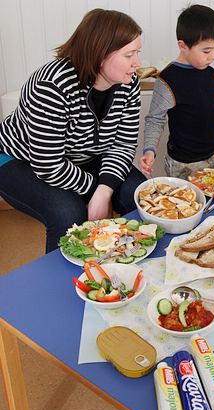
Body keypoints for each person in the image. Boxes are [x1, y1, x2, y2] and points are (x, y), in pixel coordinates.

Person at [0, 9, 146, 253]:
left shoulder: (128, 83)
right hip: (20, 159)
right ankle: (61, 287)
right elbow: (48, 164)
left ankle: (133, 270)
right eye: (129, 55)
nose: (138, 63)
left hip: (81, 156)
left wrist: (104, 191)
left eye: (137, 53)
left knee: (139, 195)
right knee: (68, 213)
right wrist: (93, 190)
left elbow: (123, 145)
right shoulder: (51, 85)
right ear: (100, 55)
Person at [139, 5, 214, 181]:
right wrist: (149, 151)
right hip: (183, 165)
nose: (212, 56)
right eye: (206, 51)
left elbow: (213, 114)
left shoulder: (210, 74)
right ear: (183, 45)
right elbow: (154, 120)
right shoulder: (167, 80)